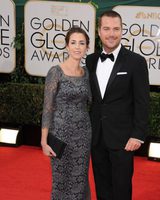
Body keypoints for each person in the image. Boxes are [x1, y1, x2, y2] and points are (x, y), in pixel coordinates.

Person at [86, 10, 150, 200]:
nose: (111, 33)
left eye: (116, 29)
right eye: (106, 28)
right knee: (102, 187)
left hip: (123, 140)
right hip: (97, 137)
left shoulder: (136, 62)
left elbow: (142, 101)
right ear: (99, 31)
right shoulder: (91, 60)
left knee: (121, 190)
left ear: (122, 31)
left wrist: (138, 135)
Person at [41, 26, 92, 200]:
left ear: (87, 47)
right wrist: (43, 140)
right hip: (60, 136)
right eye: (73, 42)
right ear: (67, 46)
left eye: (82, 43)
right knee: (60, 181)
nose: (77, 47)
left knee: (80, 180)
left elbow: (92, 102)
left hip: (83, 136)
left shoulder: (87, 74)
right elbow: (48, 108)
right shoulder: (56, 72)